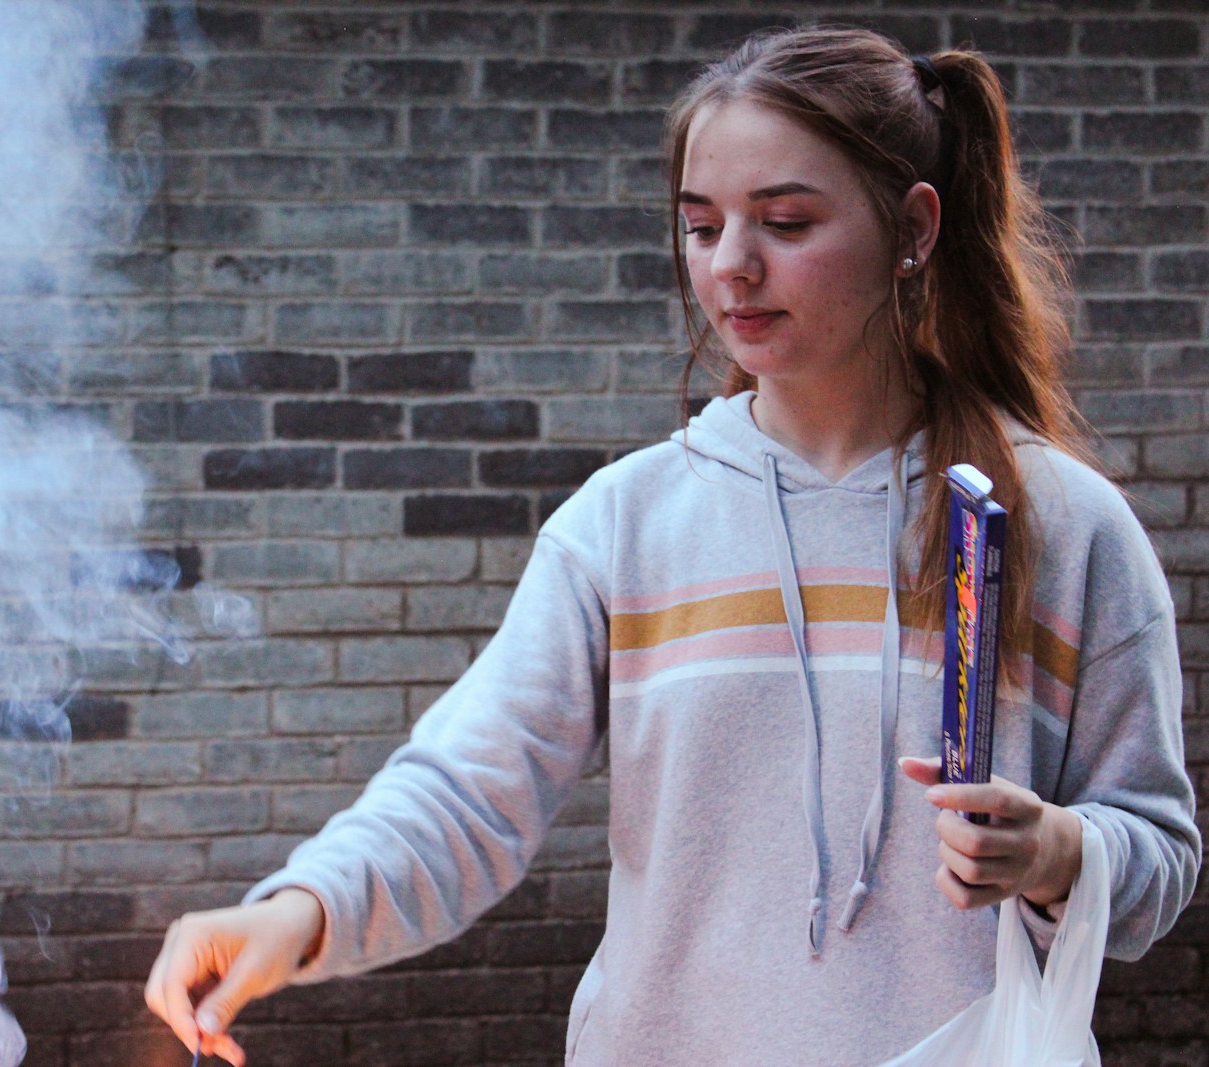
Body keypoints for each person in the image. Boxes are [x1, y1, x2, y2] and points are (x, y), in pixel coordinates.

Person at [145, 27, 1201, 1066]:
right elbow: (469, 789)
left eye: (784, 221)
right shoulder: (625, 522)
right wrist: (300, 908)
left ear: (913, 227)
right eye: (700, 226)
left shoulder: (1062, 527)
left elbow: (1156, 849)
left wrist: (1064, 852)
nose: (731, 267)